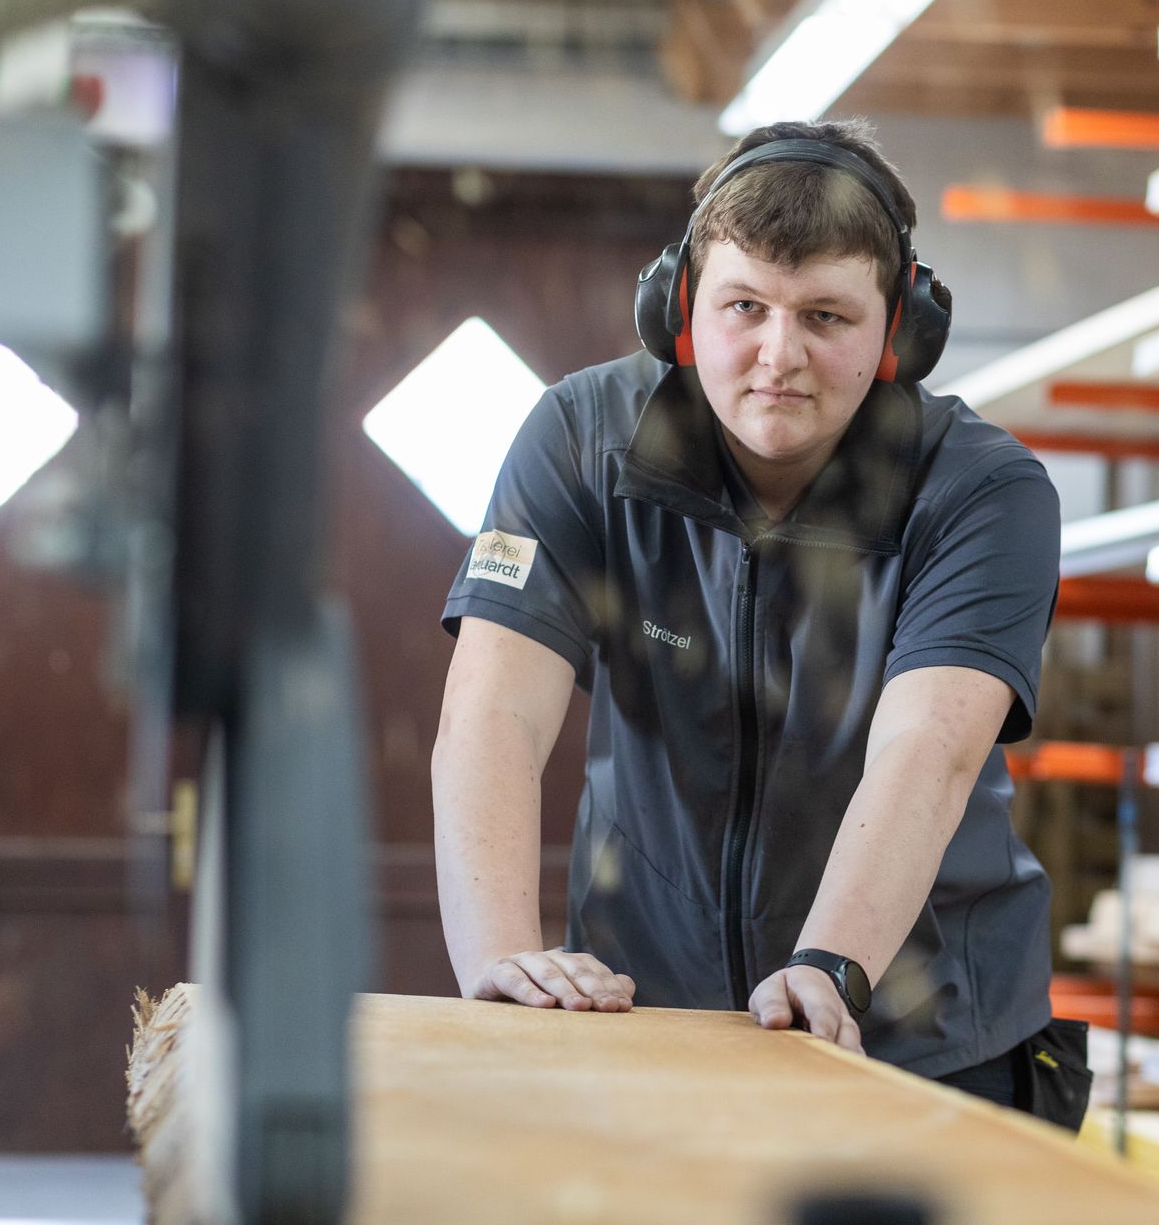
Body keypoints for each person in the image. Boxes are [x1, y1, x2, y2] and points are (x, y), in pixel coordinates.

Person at [431, 118, 1086, 1126]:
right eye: (746, 306)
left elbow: (929, 748)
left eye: (825, 314)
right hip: (656, 1026)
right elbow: (495, 713)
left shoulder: (979, 492)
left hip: (926, 1050)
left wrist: (831, 965)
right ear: (682, 304)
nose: (779, 356)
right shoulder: (583, 441)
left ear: (899, 329)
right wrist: (498, 965)